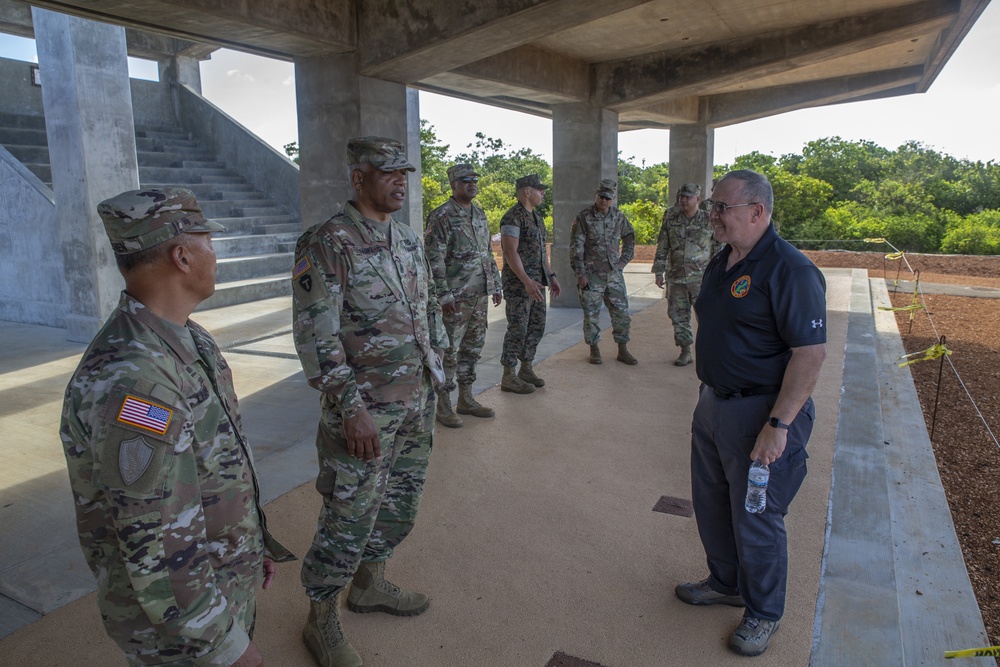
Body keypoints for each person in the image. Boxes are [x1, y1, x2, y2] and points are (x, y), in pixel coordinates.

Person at [60, 187, 294, 667]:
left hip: (214, 590)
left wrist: (248, 545)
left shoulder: (186, 337)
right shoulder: (136, 381)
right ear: (182, 256)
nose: (216, 251)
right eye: (209, 239)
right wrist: (229, 650)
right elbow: (157, 549)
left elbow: (215, 466)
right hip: (181, 633)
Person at [291, 136, 448, 667]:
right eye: (387, 173)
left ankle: (370, 584)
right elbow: (317, 335)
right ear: (358, 178)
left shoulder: (406, 240)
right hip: (364, 411)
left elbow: (423, 314)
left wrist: (436, 379)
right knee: (349, 512)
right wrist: (350, 408)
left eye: (404, 172)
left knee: (400, 502)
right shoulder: (326, 242)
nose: (400, 181)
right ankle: (322, 616)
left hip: (415, 400)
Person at [675, 170, 827, 657]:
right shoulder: (724, 261)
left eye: (722, 207)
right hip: (715, 403)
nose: (712, 215)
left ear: (758, 211)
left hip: (762, 413)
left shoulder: (791, 270)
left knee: (757, 516)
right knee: (713, 503)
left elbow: (809, 354)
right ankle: (726, 582)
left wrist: (778, 426)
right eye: (714, 205)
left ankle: (763, 613)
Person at [424, 163, 503, 428]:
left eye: (474, 180)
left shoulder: (479, 214)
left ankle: (466, 399)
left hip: (478, 294)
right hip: (455, 299)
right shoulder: (441, 216)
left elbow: (487, 253)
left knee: (472, 348)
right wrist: (444, 295)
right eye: (465, 180)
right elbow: (433, 258)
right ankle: (444, 405)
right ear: (453, 185)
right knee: (449, 352)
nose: (472, 184)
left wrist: (496, 284)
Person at [498, 173, 561, 393]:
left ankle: (526, 368)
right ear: (527, 191)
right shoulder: (512, 218)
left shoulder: (537, 218)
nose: (543, 193)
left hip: (537, 284)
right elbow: (509, 251)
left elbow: (542, 252)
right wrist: (525, 281)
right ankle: (508, 375)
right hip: (519, 285)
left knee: (536, 326)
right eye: (539, 189)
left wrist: (551, 277)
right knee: (518, 327)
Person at [569, 178, 638, 365]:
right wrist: (581, 273)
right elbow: (577, 247)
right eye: (601, 197)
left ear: (613, 198)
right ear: (596, 195)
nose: (604, 201)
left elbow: (630, 237)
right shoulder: (584, 217)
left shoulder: (618, 216)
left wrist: (624, 261)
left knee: (621, 313)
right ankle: (594, 349)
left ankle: (623, 349)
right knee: (591, 315)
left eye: (608, 198)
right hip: (592, 275)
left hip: (614, 275)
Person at [652, 182, 720, 366]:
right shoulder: (672, 220)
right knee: (678, 316)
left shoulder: (709, 220)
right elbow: (663, 246)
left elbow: (719, 249)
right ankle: (685, 351)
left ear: (697, 199)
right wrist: (659, 270)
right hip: (676, 278)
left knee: (707, 316)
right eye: (681, 197)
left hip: (701, 280)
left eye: (687, 197)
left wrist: (719, 275)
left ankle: (708, 352)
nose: (683, 200)